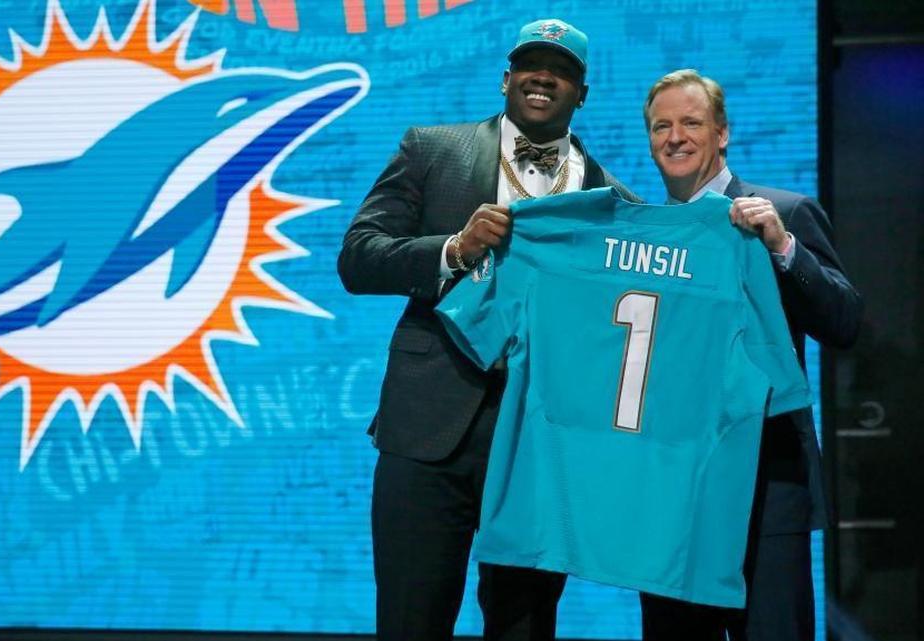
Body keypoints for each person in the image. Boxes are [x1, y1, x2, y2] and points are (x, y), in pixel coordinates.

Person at [338, 18, 638, 641]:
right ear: (506, 78)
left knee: (525, 626)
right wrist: (451, 249)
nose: (543, 78)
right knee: (410, 622)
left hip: (538, 440)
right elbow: (358, 258)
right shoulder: (432, 148)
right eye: (531, 64)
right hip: (427, 431)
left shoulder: (612, 201)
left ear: (583, 93)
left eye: (561, 71)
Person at [639, 69, 862, 641]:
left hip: (768, 485)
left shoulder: (785, 212)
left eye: (691, 123)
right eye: (661, 126)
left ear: (722, 135)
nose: (676, 137)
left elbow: (844, 322)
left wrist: (783, 246)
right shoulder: (643, 236)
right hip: (669, 495)